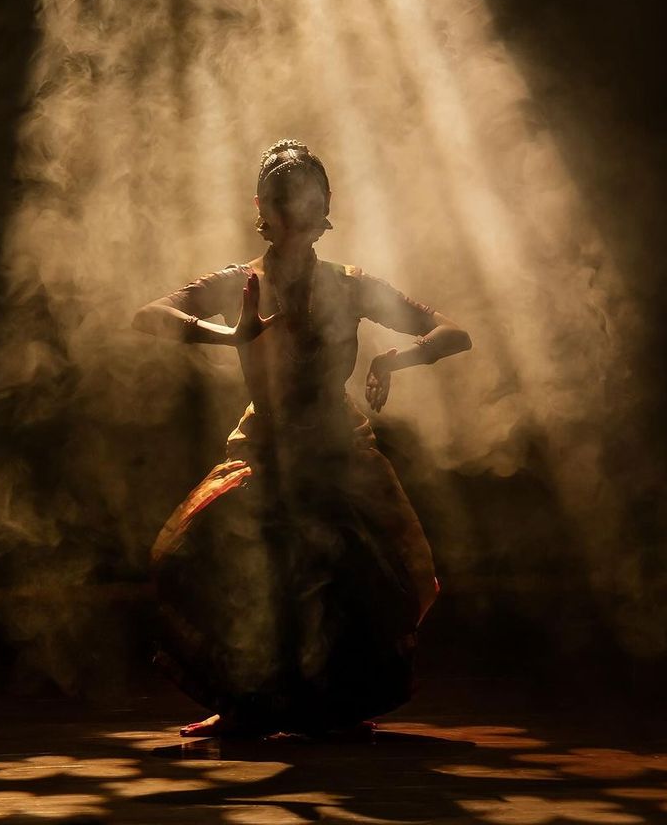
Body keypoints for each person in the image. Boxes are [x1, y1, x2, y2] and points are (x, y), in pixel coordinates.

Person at [132, 140, 471, 737]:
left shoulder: (351, 284)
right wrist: (228, 337)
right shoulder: (243, 281)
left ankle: (332, 708)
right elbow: (149, 315)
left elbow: (452, 332)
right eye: (284, 201)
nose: (296, 214)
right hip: (267, 447)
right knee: (239, 573)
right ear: (263, 208)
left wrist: (397, 358)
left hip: (335, 450)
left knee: (343, 582)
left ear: (325, 208)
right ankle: (244, 704)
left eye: (307, 200)